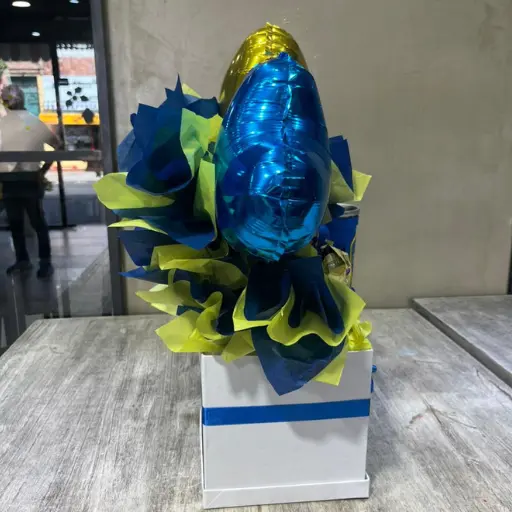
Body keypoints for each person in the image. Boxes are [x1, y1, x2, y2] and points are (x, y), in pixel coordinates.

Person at [0, 85, 60, 278]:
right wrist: (42, 171)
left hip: (21, 180)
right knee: (26, 222)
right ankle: (30, 261)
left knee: (28, 222)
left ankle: (37, 261)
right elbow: (57, 145)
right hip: (18, 180)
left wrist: (41, 171)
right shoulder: (28, 122)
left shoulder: (20, 123)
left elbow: (56, 145)